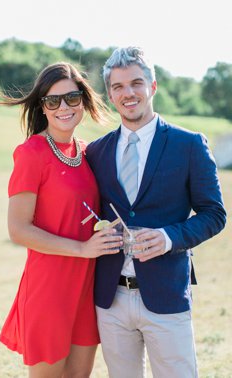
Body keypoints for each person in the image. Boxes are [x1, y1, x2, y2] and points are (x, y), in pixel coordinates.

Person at [86, 47, 225, 378]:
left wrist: (168, 238)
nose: (128, 93)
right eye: (118, 87)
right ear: (110, 94)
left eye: (136, 83)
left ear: (153, 86)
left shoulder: (189, 145)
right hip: (110, 297)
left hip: (166, 292)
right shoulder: (97, 151)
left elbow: (214, 214)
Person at [0, 62, 116, 377]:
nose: (63, 107)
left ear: (84, 102)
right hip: (49, 290)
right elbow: (18, 229)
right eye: (52, 100)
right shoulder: (31, 153)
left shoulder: (87, 153)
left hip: (87, 289)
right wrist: (81, 249)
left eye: (72, 98)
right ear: (42, 107)